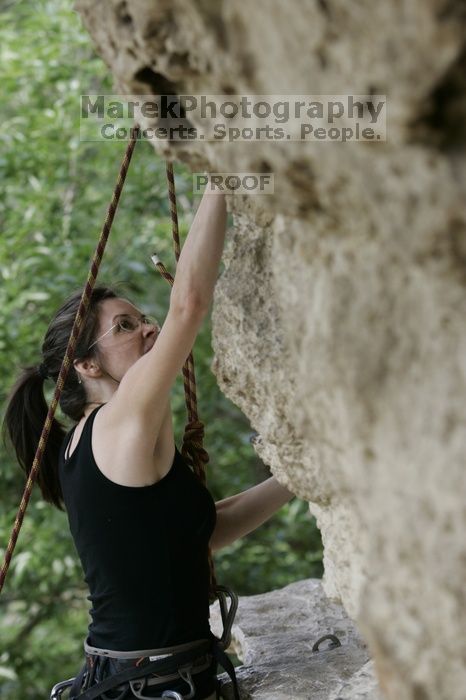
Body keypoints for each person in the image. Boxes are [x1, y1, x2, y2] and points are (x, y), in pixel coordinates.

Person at [3, 186, 295, 699]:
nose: (148, 327)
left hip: (132, 680)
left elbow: (193, 537)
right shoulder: (118, 423)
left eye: (141, 317)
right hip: (155, 684)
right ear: (87, 366)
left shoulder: (81, 445)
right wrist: (218, 179)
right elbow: (188, 305)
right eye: (125, 326)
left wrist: (296, 478)